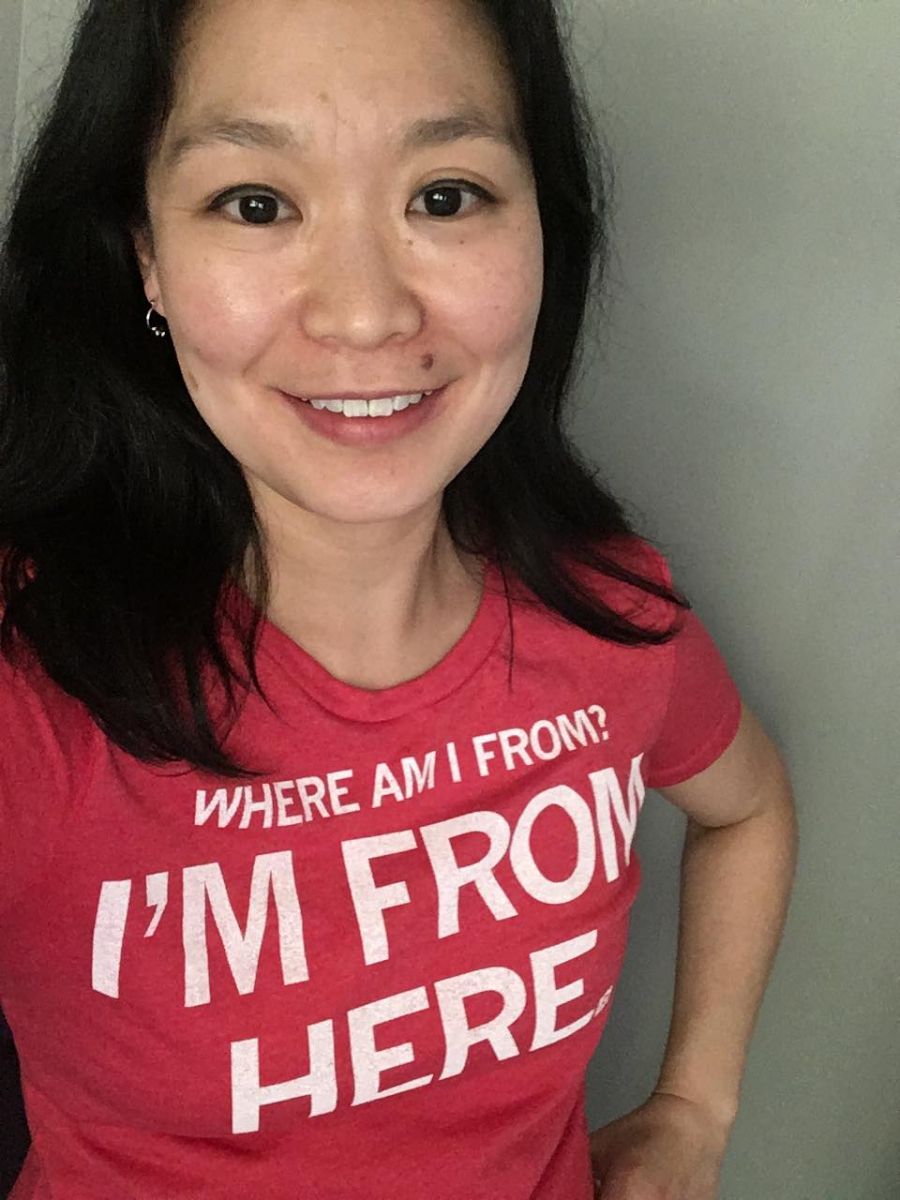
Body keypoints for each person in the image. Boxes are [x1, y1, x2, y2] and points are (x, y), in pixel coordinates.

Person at [0, 1, 798, 1197]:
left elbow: (747, 809)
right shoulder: (30, 682)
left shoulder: (608, 614)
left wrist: (694, 1105)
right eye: (256, 203)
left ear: (541, 231)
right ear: (146, 257)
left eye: (445, 195)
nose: (365, 313)